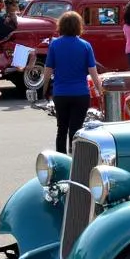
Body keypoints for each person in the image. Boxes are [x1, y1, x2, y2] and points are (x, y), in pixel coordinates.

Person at [43, 11, 102, 154]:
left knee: (61, 128)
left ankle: (60, 159)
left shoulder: (55, 44)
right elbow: (93, 71)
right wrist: (100, 90)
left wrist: (44, 89)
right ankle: (75, 158)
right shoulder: (85, 45)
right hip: (80, 93)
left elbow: (48, 70)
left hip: (61, 93)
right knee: (76, 129)